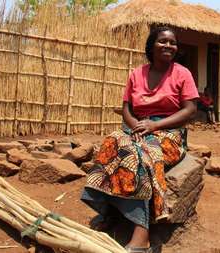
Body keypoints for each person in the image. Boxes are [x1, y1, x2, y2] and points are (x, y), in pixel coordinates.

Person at [81, 26, 199, 253]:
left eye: (172, 42)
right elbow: (126, 108)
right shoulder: (136, 74)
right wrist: (136, 125)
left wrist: (155, 125)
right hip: (137, 127)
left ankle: (141, 232)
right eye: (162, 41)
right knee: (111, 143)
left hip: (169, 132)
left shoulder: (182, 73)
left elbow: (190, 110)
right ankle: (109, 210)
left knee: (143, 155)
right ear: (151, 46)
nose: (168, 46)